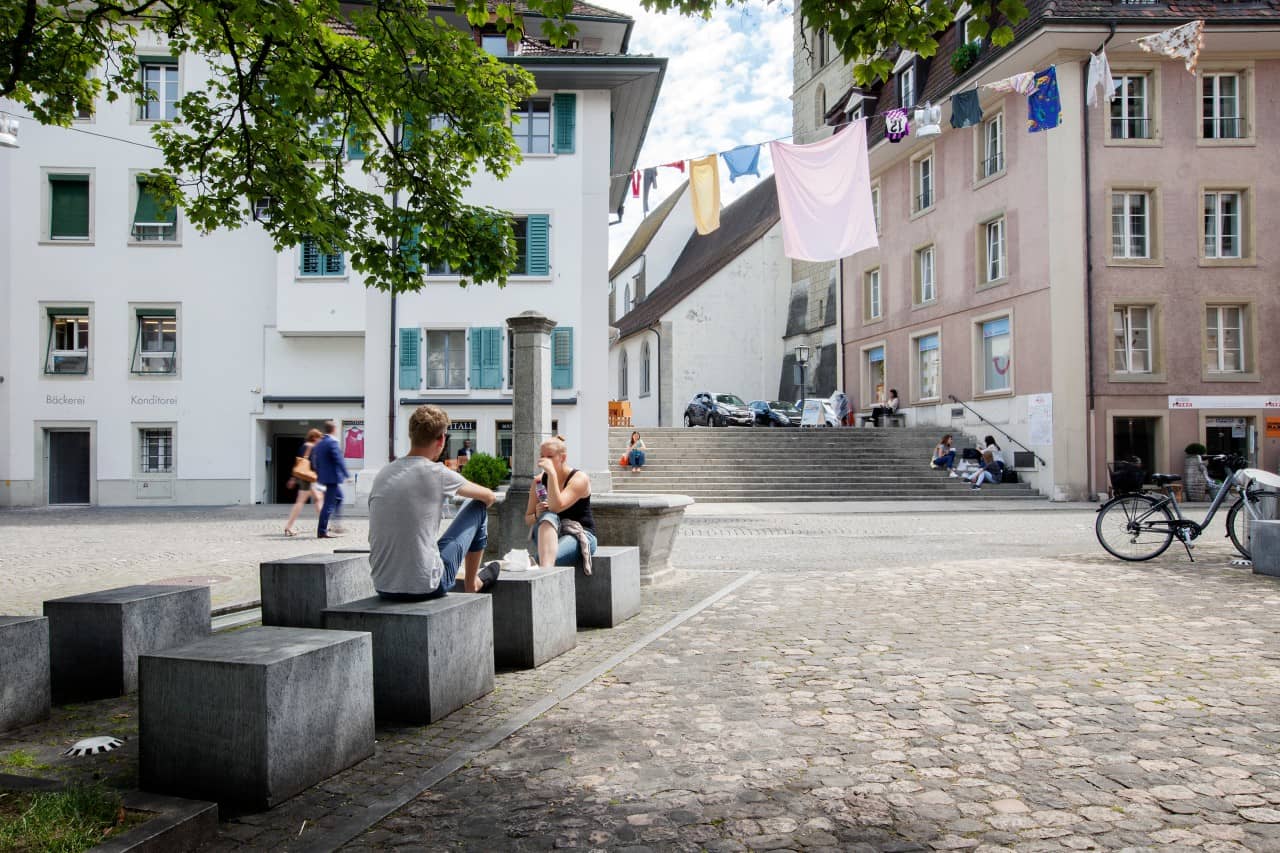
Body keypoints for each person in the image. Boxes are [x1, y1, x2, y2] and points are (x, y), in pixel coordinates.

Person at [368, 405, 500, 598]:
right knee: (477, 506)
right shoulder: (436, 473)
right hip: (427, 586)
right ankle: (473, 583)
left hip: (383, 585)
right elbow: (489, 496)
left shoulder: (383, 473)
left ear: (411, 435)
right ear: (441, 439)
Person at [526, 435, 598, 569]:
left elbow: (556, 507)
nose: (544, 461)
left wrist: (552, 474)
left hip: (579, 534)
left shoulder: (579, 478)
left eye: (550, 457)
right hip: (548, 533)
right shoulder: (538, 481)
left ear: (563, 458)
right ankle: (543, 568)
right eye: (542, 456)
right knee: (547, 516)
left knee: (541, 560)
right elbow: (528, 518)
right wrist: (537, 514)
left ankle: (541, 568)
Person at [312, 419, 349, 538]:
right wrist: (346, 474)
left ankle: (336, 524)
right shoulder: (332, 443)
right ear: (333, 429)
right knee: (328, 505)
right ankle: (322, 531)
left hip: (325, 477)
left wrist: (319, 474)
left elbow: (315, 461)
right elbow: (339, 460)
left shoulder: (320, 443)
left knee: (339, 498)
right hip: (332, 478)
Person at [284, 429, 325, 536]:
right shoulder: (312, 447)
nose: (320, 440)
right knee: (300, 502)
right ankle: (288, 526)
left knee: (318, 498)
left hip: (304, 477)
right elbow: (313, 464)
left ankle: (324, 524)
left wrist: (293, 478)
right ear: (315, 437)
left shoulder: (303, 446)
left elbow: (299, 463)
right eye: (319, 438)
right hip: (308, 478)